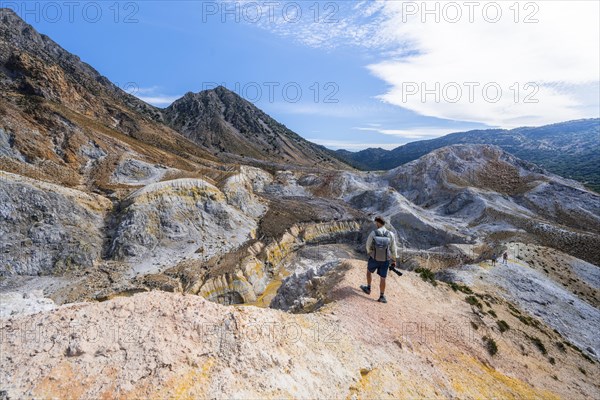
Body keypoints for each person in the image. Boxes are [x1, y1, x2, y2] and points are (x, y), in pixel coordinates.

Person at [360, 216, 399, 304]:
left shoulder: (373, 233)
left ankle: (368, 288)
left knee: (369, 272)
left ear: (378, 223)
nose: (375, 224)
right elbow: (394, 248)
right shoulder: (390, 234)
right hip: (385, 260)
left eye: (376, 223)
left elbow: (367, 245)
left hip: (374, 258)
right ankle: (381, 296)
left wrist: (370, 253)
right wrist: (394, 260)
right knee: (383, 278)